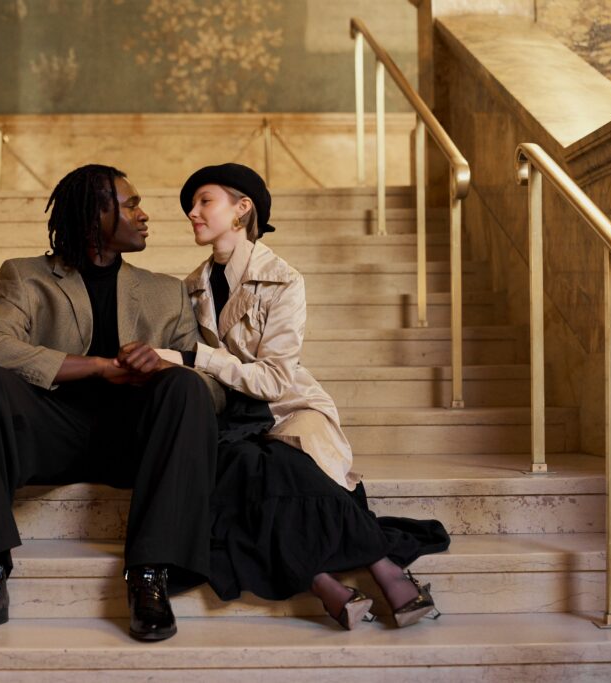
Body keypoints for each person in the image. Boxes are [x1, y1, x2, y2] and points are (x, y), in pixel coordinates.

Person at [116, 163, 449, 630]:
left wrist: (194, 356)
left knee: (285, 465)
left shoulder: (284, 279)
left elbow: (273, 380)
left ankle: (373, 570)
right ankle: (347, 580)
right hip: (231, 417)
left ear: (241, 209)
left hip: (287, 408)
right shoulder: (187, 289)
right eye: (191, 206)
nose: (192, 212)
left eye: (204, 201)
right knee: (247, 475)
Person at [0, 164, 225, 643]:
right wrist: (96, 366)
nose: (144, 214)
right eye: (131, 204)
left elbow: (213, 389)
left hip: (134, 440)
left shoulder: (165, 291)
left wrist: (160, 366)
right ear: (96, 215)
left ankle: (149, 576)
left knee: (187, 387)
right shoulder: (28, 277)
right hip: (54, 433)